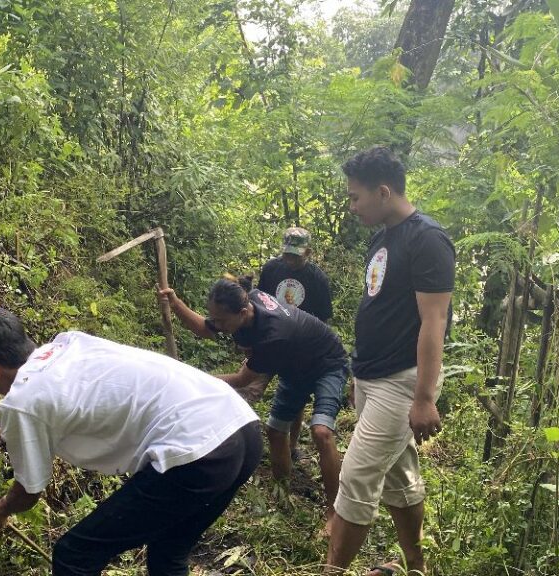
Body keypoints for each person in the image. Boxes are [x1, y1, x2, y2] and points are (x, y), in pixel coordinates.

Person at [0, 307, 262, 576]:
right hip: (240, 424)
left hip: (199, 450)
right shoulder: (71, 343)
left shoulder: (23, 399)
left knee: (74, 556)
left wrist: (1, 508)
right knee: (169, 552)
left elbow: (29, 490)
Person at [325, 147, 455, 576]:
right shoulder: (382, 237)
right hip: (372, 376)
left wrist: (423, 398)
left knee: (357, 476)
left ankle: (332, 571)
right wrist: (357, 372)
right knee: (400, 479)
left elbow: (433, 322)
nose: (352, 206)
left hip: (402, 381)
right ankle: (415, 565)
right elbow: (380, 306)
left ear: (383, 192)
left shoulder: (427, 239)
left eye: (355, 197)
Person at [158, 278, 347, 525]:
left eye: (222, 321)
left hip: (327, 363)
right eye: (215, 318)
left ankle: (336, 511)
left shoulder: (273, 336)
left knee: (321, 432)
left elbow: (241, 379)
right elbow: (206, 328)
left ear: (243, 313)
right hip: (293, 367)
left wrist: (192, 379)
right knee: (276, 431)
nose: (217, 324)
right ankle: (282, 496)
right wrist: (175, 302)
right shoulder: (246, 303)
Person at [253, 226, 334, 458]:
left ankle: (292, 445)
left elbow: (323, 318)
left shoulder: (316, 279)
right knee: (253, 385)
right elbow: (260, 301)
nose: (290, 260)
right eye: (287, 254)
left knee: (295, 395)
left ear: (307, 252)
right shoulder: (272, 269)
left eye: (295, 255)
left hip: (300, 346)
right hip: (270, 340)